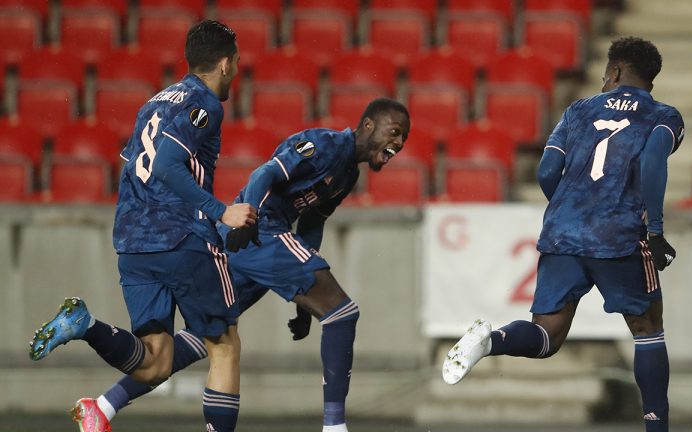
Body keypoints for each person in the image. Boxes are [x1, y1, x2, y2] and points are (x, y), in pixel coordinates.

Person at [69, 97, 411, 432]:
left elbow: (311, 224)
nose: (398, 143)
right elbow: (265, 174)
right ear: (368, 124)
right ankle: (334, 426)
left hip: (249, 238)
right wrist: (250, 221)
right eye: (394, 132)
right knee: (342, 313)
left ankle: (102, 407)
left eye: (403, 138)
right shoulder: (326, 144)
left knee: (207, 336)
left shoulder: (347, 173)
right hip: (258, 231)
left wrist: (306, 303)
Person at [442, 36, 684, 432]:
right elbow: (654, 162)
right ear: (647, 80)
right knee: (647, 329)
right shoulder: (663, 115)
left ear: (617, 71)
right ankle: (656, 427)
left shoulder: (576, 111)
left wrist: (571, 209)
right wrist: (655, 232)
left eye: (606, 73)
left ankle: (491, 342)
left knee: (546, 335)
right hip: (618, 234)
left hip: (562, 233)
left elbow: (545, 172)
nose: (605, 79)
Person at [28, 20, 257, 432]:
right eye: (236, 63)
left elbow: (136, 167)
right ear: (225, 64)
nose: (236, 72)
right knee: (224, 345)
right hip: (182, 236)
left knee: (155, 362)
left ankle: (86, 326)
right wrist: (221, 211)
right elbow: (168, 164)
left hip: (134, 242)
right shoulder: (206, 103)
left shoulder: (153, 103)